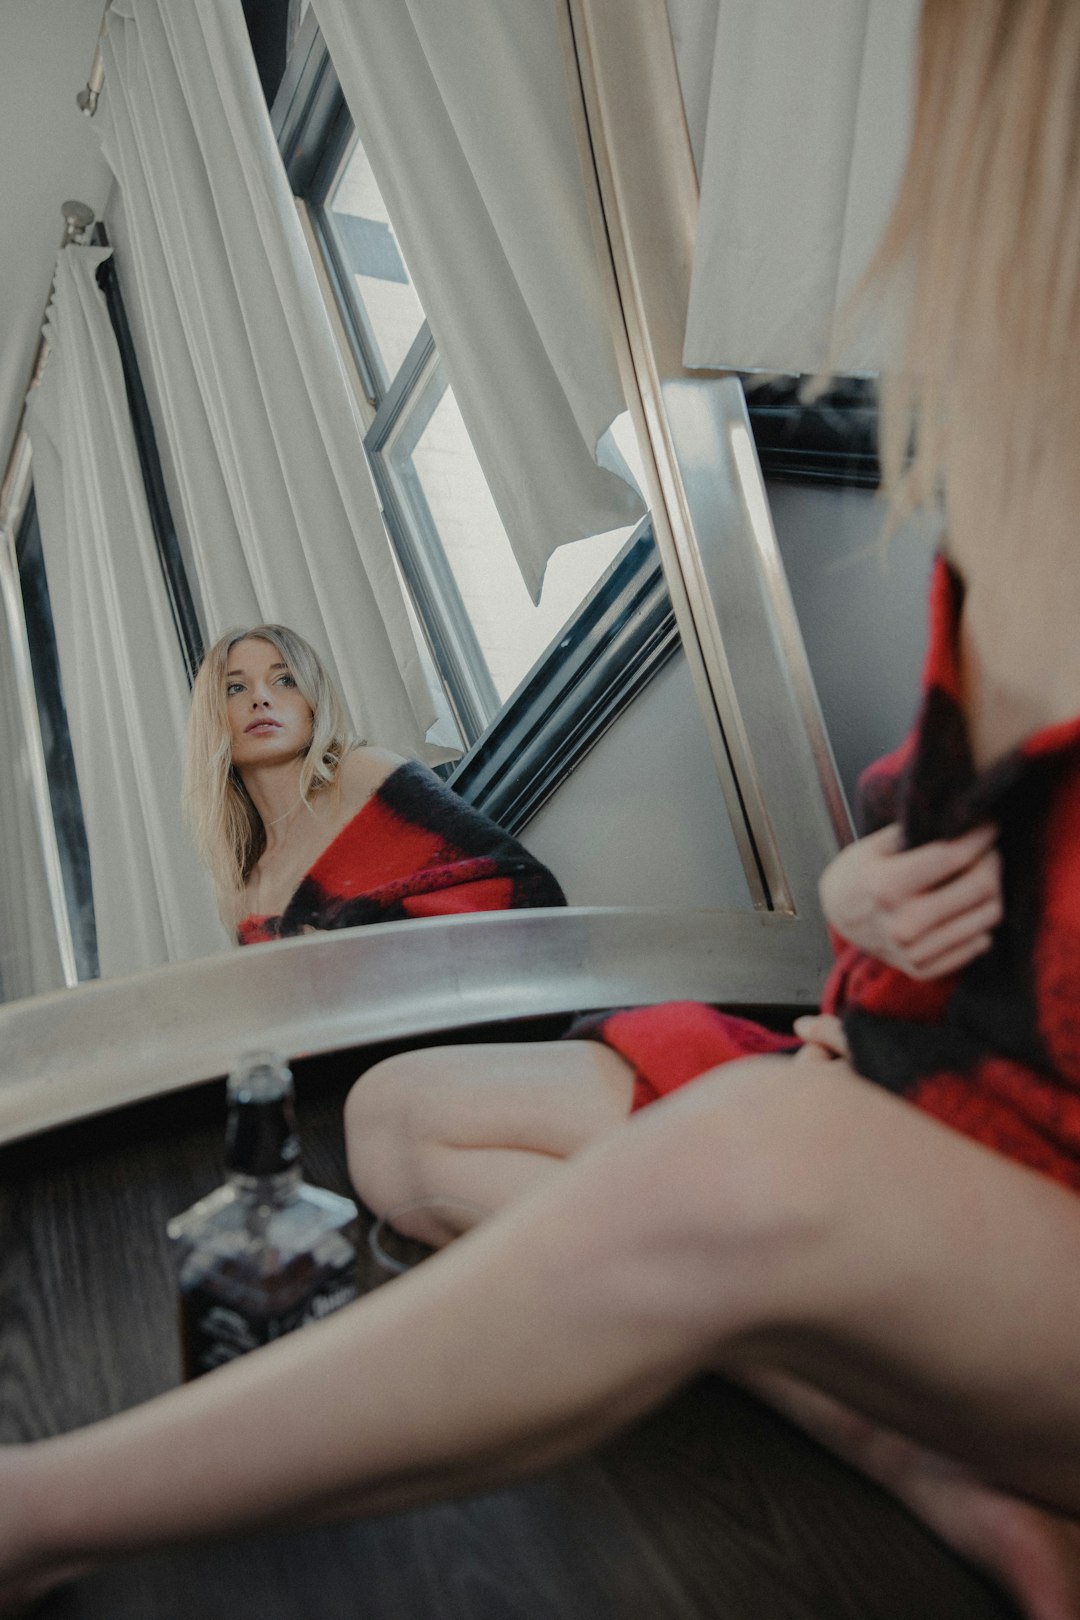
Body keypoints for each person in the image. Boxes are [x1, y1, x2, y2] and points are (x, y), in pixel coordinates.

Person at [3, 3, 1080, 1617]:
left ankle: (37, 1511)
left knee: (746, 1157)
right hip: (905, 1079)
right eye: (229, 691)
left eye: (273, 676)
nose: (259, 703)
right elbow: (961, 844)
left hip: (980, 1150)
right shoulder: (1011, 458)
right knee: (391, 1127)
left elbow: (504, 888)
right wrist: (863, 904)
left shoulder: (377, 787)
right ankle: (880, 1416)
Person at [183, 623, 565, 942]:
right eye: (235, 688)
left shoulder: (361, 775)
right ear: (212, 719)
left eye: (286, 680)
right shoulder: (240, 891)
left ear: (313, 706)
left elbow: (523, 885)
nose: (261, 698)